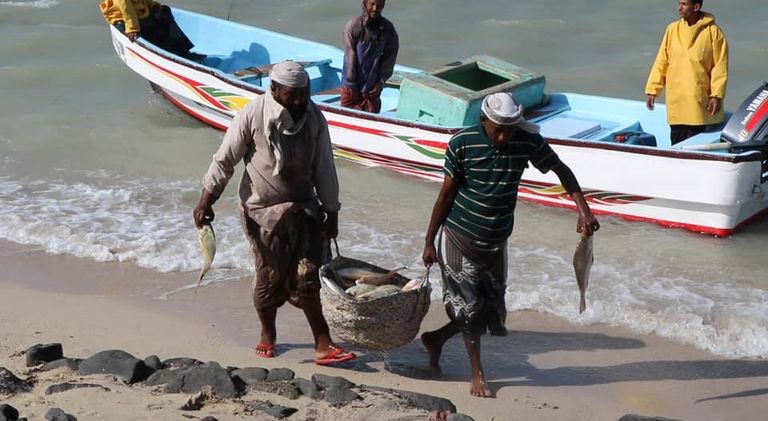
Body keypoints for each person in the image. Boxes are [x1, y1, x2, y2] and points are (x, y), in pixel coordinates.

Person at [420, 92, 600, 398]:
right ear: (483, 121)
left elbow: (561, 170)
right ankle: (477, 373)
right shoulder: (462, 143)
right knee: (470, 308)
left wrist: (583, 209)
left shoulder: (526, 142)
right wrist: (429, 241)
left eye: (509, 130)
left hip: (497, 239)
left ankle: (435, 339)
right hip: (459, 236)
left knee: (491, 310)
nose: (503, 138)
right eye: (497, 131)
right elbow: (446, 195)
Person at [193, 61, 356, 366]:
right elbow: (224, 160)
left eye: (303, 95)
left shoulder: (314, 118)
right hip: (262, 211)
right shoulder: (252, 114)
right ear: (274, 90)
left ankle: (323, 343)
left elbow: (324, 167)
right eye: (292, 95)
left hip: (304, 208)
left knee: (308, 275)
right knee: (269, 276)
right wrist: (206, 201)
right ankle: (268, 333)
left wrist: (331, 211)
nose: (298, 101)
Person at [645, 0, 728, 145]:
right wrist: (653, 90)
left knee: (694, 142)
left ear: (696, 7)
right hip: (676, 98)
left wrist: (716, 95)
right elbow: (661, 61)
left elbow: (720, 66)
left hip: (698, 98)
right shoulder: (672, 29)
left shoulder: (713, 32)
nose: (679, 8)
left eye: (684, 4)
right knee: (676, 141)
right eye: (679, 3)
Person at [341, 0, 399, 113]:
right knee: (348, 116)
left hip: (372, 89)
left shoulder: (387, 28)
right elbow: (350, 57)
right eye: (372, 4)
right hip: (351, 88)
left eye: (379, 5)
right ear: (365, 3)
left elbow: (390, 58)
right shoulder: (354, 26)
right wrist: (351, 85)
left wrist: (381, 82)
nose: (375, 8)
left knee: (372, 116)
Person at [98, 0, 201, 61]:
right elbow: (126, 9)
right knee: (148, 28)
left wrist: (152, 5)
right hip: (125, 19)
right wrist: (132, 29)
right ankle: (164, 52)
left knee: (165, 11)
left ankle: (183, 51)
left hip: (139, 13)